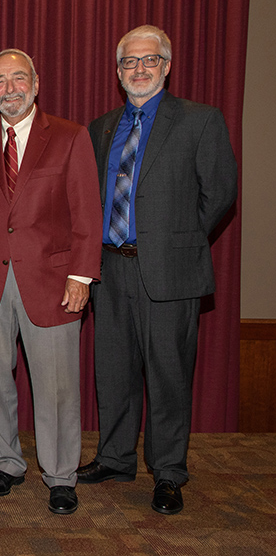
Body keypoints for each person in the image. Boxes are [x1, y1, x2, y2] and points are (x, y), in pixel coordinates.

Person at [77, 25, 237, 515]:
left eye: (150, 60)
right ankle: (115, 457)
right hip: (111, 271)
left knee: (169, 375)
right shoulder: (101, 127)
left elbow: (220, 193)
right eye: (130, 62)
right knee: (114, 371)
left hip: (170, 272)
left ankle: (168, 472)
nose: (139, 69)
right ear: (118, 71)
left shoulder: (200, 121)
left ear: (167, 66)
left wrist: (175, 242)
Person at [0, 49, 101, 515]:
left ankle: (61, 474)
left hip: (52, 282)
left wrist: (81, 275)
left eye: (18, 78)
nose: (10, 89)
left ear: (36, 82)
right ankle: (5, 462)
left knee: (57, 386)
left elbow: (87, 212)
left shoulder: (69, 136)